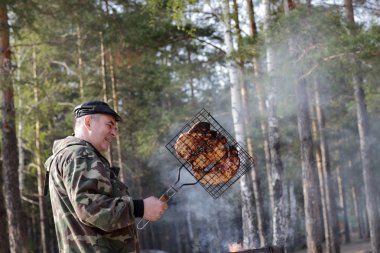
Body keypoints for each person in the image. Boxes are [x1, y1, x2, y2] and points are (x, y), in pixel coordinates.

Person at [45, 101, 168, 253]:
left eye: (115, 128)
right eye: (109, 125)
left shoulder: (70, 155)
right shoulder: (80, 155)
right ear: (88, 122)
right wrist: (139, 208)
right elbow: (89, 209)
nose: (114, 133)